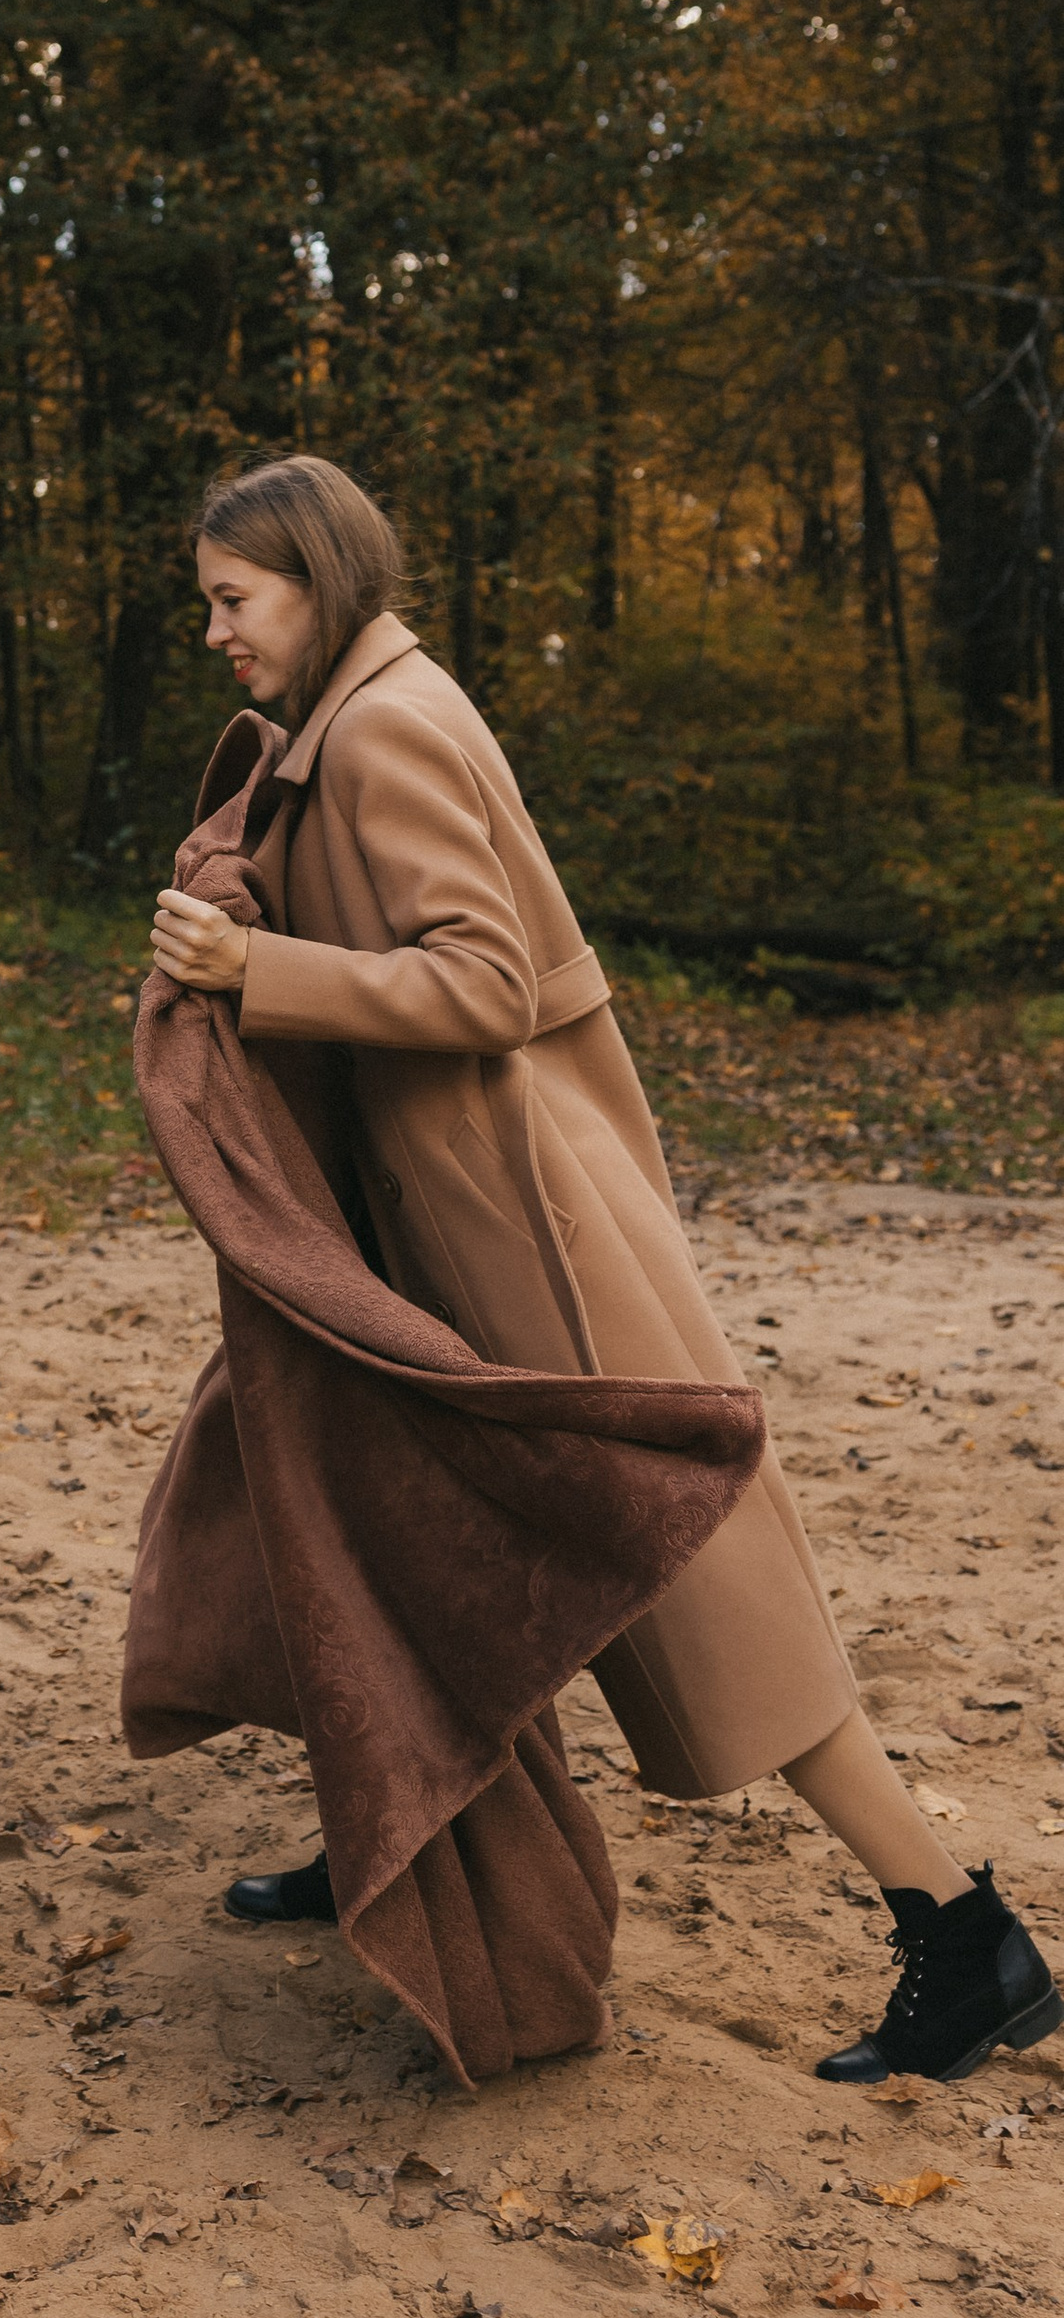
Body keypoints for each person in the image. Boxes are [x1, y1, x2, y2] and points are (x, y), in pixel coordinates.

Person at [146, 453, 1058, 2089]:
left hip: (525, 1229)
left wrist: (250, 966)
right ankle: (401, 1840)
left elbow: (485, 983)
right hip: (447, 1215)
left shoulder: (394, 727)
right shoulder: (346, 720)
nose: (213, 630)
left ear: (315, 580)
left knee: (698, 1586)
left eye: (233, 597)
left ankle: (957, 1931)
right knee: (387, 1530)